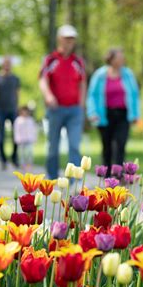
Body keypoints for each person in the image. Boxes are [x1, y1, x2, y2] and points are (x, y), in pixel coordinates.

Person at [39, 24, 86, 179]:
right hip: (55, 109)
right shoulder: (50, 60)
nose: (69, 42)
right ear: (60, 39)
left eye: (72, 39)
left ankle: (74, 182)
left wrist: (81, 103)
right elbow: (43, 80)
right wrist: (48, 96)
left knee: (74, 146)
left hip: (74, 110)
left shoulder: (77, 62)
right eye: (66, 39)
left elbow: (82, 83)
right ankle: (51, 180)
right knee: (53, 147)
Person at [87, 48, 140, 175]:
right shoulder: (100, 75)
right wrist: (92, 113)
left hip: (123, 115)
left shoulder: (128, 74)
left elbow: (134, 94)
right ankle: (106, 177)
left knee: (120, 144)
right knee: (107, 147)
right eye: (119, 57)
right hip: (104, 115)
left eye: (123, 57)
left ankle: (118, 176)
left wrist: (135, 114)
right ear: (111, 59)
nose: (122, 60)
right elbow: (92, 95)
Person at [0, 56, 20, 170]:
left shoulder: (15, 79)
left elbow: (17, 94)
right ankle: (2, 159)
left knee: (16, 135)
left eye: (9, 64)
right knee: (1, 136)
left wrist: (18, 108)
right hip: (0, 110)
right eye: (5, 63)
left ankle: (14, 157)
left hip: (13, 110)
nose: (7, 66)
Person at [13, 106, 37, 172]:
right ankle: (22, 165)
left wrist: (34, 138)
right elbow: (16, 130)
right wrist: (17, 139)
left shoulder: (30, 120)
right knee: (21, 153)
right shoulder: (18, 120)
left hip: (29, 139)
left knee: (30, 152)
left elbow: (34, 130)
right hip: (21, 140)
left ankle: (29, 164)